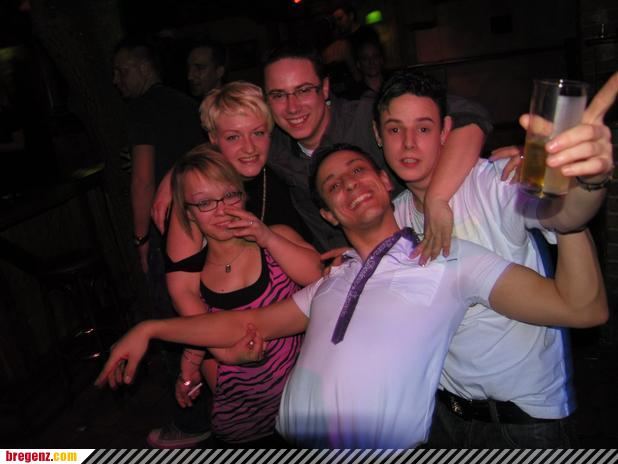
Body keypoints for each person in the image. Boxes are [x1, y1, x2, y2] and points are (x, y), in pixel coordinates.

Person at [96, 144, 608, 449]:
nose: (349, 185)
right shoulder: (332, 279)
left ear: (384, 182)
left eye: (358, 171)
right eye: (333, 185)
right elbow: (241, 324)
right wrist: (151, 328)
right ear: (328, 214)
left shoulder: (446, 259)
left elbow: (582, 308)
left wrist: (570, 221)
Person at [373, 70, 616, 447]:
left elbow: (565, 215)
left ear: (445, 131)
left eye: (423, 128)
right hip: (444, 418)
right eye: (394, 129)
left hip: (525, 423)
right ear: (377, 135)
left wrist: (588, 180)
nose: (408, 143)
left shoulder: (492, 180)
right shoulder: (393, 219)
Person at [148, 81, 311, 448]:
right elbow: (184, 291)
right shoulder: (199, 196)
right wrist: (217, 351)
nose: (249, 147)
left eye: (258, 133)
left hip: (291, 337)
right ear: (213, 140)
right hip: (225, 335)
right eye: (234, 137)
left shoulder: (277, 172)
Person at [263, 42, 492, 258]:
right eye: (278, 95)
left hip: (442, 232)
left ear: (324, 88)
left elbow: (469, 115)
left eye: (303, 90)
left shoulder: (369, 114)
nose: (292, 107)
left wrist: (437, 198)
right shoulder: (272, 149)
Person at [112, 38, 205, 280]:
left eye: (122, 71)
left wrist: (141, 239)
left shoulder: (141, 108)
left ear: (144, 68)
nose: (116, 80)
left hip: (167, 224)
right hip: (203, 215)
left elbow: (142, 182)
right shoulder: (187, 103)